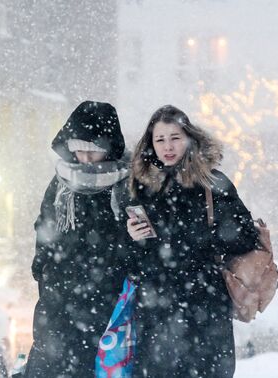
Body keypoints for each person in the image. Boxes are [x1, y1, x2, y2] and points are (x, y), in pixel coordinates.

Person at [123, 105, 259, 377]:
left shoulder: (213, 183)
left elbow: (246, 237)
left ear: (189, 138)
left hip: (204, 306)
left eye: (175, 137)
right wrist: (132, 237)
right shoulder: (141, 187)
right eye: (160, 139)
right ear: (151, 144)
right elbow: (127, 258)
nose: (168, 146)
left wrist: (209, 234)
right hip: (155, 309)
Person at [24, 101, 130, 378]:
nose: (84, 157)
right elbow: (45, 230)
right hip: (59, 304)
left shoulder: (125, 186)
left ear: (108, 150)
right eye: (78, 148)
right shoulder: (61, 184)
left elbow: (131, 242)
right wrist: (44, 271)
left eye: (93, 151)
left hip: (108, 305)